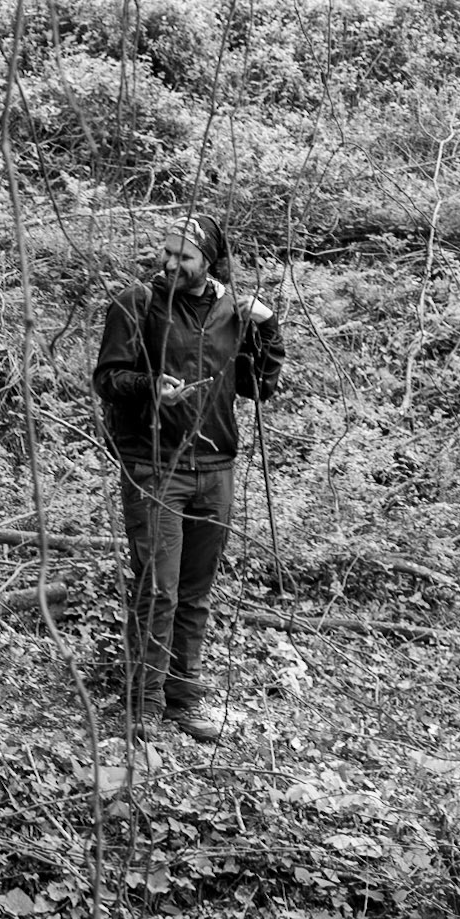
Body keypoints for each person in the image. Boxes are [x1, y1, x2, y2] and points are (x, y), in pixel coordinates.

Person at [93, 211, 286, 741]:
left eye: (185, 256)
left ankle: (183, 698)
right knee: (158, 589)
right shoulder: (138, 303)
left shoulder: (233, 312)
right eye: (168, 252)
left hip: (216, 467)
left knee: (196, 593)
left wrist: (267, 327)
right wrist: (152, 385)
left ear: (209, 262)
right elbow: (108, 378)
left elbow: (259, 386)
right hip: (155, 465)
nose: (171, 263)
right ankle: (145, 706)